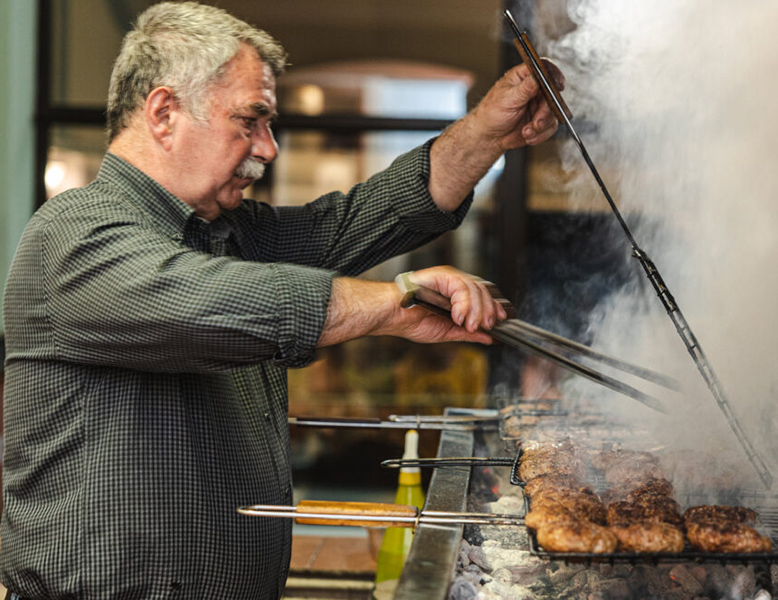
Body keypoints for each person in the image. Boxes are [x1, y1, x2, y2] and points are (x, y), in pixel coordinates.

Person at [0, 2, 562, 598]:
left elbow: (362, 220)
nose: (268, 149)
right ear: (164, 112)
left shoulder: (231, 232)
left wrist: (484, 135)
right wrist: (396, 300)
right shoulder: (75, 236)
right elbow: (218, 303)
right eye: (251, 120)